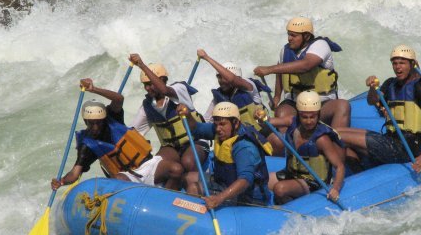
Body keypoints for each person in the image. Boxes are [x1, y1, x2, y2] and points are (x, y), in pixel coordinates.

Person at [51, 78, 184, 191]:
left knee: (176, 169)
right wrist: (62, 181)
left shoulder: (113, 119)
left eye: (99, 122)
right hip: (127, 177)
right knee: (118, 179)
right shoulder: (87, 145)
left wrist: (94, 89)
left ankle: (164, 199)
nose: (96, 127)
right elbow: (75, 173)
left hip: (147, 166)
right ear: (85, 121)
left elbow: (119, 99)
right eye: (91, 123)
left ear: (104, 119)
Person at [337, 45, 421, 173]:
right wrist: (372, 88)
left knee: (338, 135)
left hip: (409, 146)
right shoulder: (390, 83)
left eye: (402, 63)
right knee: (336, 131)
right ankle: (358, 171)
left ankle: (353, 171)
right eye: (395, 63)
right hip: (391, 139)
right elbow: (372, 101)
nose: (398, 67)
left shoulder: (420, 87)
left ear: (412, 64)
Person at [252, 17, 351, 142]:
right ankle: (290, 148)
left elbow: (306, 65)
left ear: (307, 37)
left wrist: (268, 69)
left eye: (294, 35)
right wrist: (277, 97)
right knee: (282, 112)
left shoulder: (320, 45)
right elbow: (281, 72)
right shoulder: (285, 50)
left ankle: (337, 144)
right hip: (295, 103)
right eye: (289, 34)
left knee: (342, 105)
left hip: (323, 103)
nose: (289, 38)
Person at [129, 53, 209, 194]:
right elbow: (133, 132)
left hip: (195, 142)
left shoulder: (179, 89)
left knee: (188, 162)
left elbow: (164, 90)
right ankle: (166, 194)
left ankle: (195, 188)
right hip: (171, 147)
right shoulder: (147, 106)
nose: (147, 88)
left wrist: (141, 64)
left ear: (163, 80)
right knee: (158, 165)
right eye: (145, 85)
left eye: (150, 84)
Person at [177, 101, 273, 209]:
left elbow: (245, 180)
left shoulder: (244, 147)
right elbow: (196, 129)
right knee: (187, 177)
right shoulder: (224, 131)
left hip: (248, 198)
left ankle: (198, 220)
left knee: (193, 188)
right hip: (225, 182)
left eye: (222, 124)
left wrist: (219, 199)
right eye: (216, 124)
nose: (218, 129)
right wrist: (188, 115)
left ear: (235, 123)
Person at [255, 90, 345, 204]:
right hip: (292, 174)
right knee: (259, 183)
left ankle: (290, 206)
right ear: (298, 114)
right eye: (304, 117)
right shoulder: (293, 121)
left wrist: (335, 189)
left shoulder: (321, 139)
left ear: (318, 114)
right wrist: (261, 118)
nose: (308, 121)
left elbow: (340, 166)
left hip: (312, 182)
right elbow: (269, 122)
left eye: (312, 117)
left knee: (280, 189)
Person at [198, 48, 269, 133]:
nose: (221, 81)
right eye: (219, 77)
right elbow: (206, 120)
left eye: (224, 77)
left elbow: (232, 79)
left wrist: (206, 57)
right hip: (241, 138)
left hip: (262, 131)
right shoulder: (220, 96)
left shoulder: (248, 86)